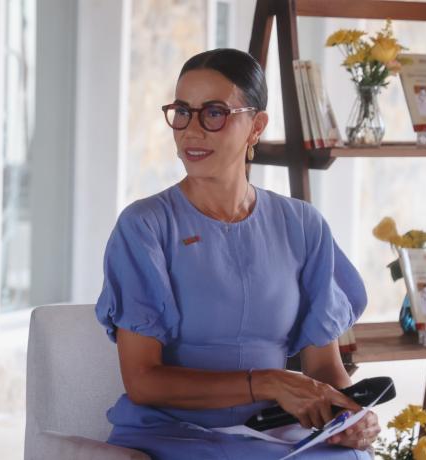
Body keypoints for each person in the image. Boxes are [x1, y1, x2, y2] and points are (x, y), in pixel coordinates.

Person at [95, 48, 380, 459]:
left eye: (214, 113)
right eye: (182, 111)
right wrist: (268, 382)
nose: (191, 130)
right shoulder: (145, 226)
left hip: (277, 433)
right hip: (176, 434)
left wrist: (355, 414)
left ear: (256, 125)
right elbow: (143, 381)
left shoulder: (303, 225)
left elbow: (323, 370)